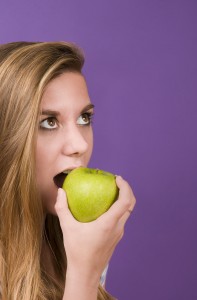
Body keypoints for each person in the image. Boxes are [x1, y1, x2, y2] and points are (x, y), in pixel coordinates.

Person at [0, 41, 136, 300]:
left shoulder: (78, 241)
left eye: (84, 118)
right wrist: (84, 276)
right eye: (49, 122)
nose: (80, 144)